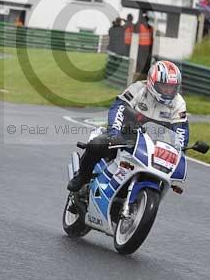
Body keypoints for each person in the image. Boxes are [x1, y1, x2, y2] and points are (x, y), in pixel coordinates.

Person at [67, 60, 189, 192]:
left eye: (172, 87)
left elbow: (181, 130)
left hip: (154, 145)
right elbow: (119, 107)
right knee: (97, 144)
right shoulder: (138, 89)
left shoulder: (178, 103)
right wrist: (114, 131)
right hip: (126, 135)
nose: (168, 91)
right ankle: (82, 177)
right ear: (152, 82)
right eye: (164, 86)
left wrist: (180, 150)